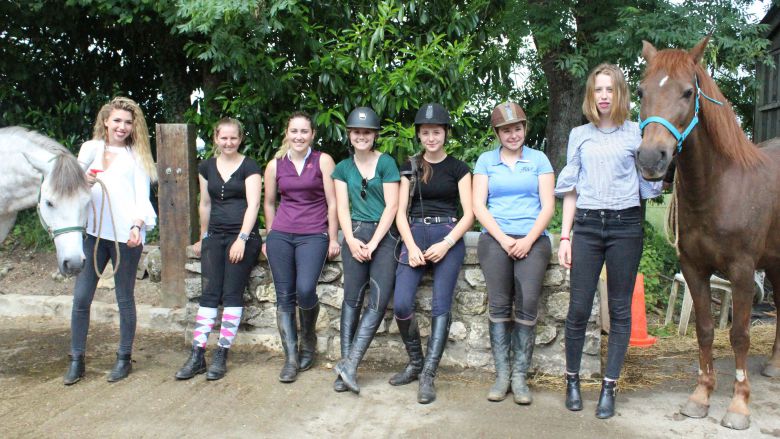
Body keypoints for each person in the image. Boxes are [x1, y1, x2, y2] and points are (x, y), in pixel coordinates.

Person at [555, 64, 662, 418]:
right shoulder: (579, 135)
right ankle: (572, 381)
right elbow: (570, 190)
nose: (604, 96)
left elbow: (649, 183)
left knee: (619, 310)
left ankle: (609, 387)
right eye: (598, 89)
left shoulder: (637, 133)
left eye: (610, 89)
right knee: (579, 309)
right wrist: (565, 236)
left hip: (625, 227)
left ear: (620, 94)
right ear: (591, 95)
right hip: (586, 226)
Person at [65, 97, 158, 385]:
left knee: (124, 298)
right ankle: (76, 359)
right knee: (81, 298)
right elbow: (72, 187)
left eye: (128, 123)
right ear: (105, 120)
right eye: (117, 120)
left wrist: (137, 225)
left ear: (134, 127)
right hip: (93, 234)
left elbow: (142, 197)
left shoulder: (137, 155)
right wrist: (86, 182)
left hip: (124, 236)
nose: (122, 126)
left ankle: (123, 358)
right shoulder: (90, 149)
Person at [390, 103, 473, 404]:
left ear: (445, 133)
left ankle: (428, 374)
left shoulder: (459, 168)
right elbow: (399, 212)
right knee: (400, 304)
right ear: (419, 135)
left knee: (440, 305)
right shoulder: (409, 167)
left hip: (446, 235)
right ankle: (415, 362)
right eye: (425, 133)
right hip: (413, 234)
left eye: (436, 132)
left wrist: (447, 243)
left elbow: (469, 214)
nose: (431, 138)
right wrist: (411, 246)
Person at [473, 102, 555, 405]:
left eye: (517, 128)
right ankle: (502, 374)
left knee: (528, 301)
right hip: (496, 238)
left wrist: (528, 239)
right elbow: (478, 205)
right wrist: (505, 239)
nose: (513, 134)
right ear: (497, 132)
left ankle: (520, 377)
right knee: (498, 303)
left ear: (524, 129)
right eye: (506, 129)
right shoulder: (485, 161)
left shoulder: (539, 160)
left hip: (533, 239)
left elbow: (548, 205)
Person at [175, 117, 262, 381]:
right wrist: (203, 237)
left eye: (233, 138)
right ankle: (198, 353)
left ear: (240, 138)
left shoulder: (250, 166)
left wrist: (242, 239)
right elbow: (205, 204)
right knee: (209, 293)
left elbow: (253, 205)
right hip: (215, 235)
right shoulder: (206, 167)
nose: (228, 142)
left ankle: (222, 353)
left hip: (242, 236)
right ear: (215, 138)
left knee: (232, 293)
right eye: (223, 138)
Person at [262, 112, 340, 383]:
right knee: (284, 296)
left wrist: (332, 238)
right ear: (287, 133)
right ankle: (291, 358)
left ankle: (309, 342)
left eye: (304, 131)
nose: (298, 136)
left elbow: (333, 203)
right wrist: (270, 235)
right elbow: (269, 202)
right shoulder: (275, 164)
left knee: (306, 290)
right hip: (281, 235)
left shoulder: (323, 161)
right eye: (294, 131)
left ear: (312, 134)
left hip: (313, 234)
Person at [332, 106, 400, 394]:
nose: (362, 136)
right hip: (354, 233)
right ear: (350, 134)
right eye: (357, 132)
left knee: (378, 300)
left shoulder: (386, 163)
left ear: (374, 135)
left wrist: (373, 243)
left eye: (367, 132)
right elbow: (342, 208)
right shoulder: (342, 168)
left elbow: (392, 206)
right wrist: (349, 238)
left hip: (384, 236)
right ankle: (346, 367)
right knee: (352, 299)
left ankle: (350, 364)